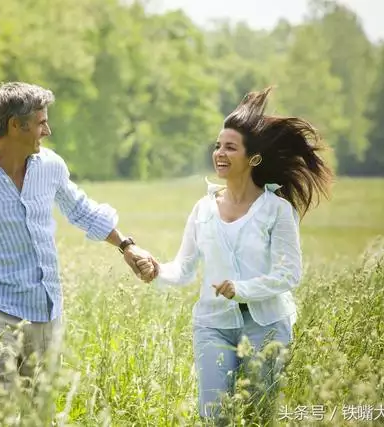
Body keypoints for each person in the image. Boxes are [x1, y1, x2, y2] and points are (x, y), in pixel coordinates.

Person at [0, 82, 156, 401]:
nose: (47, 130)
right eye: (41, 122)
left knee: (39, 411)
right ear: (15, 125)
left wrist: (126, 246)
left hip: (45, 309)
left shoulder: (50, 167)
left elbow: (80, 209)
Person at [137, 87, 332, 421]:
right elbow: (183, 268)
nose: (219, 153)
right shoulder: (203, 209)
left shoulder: (276, 210)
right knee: (214, 414)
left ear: (253, 158)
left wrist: (241, 289)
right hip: (212, 324)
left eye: (230, 147)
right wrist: (156, 270)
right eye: (217, 146)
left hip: (267, 326)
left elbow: (289, 274)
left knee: (259, 416)